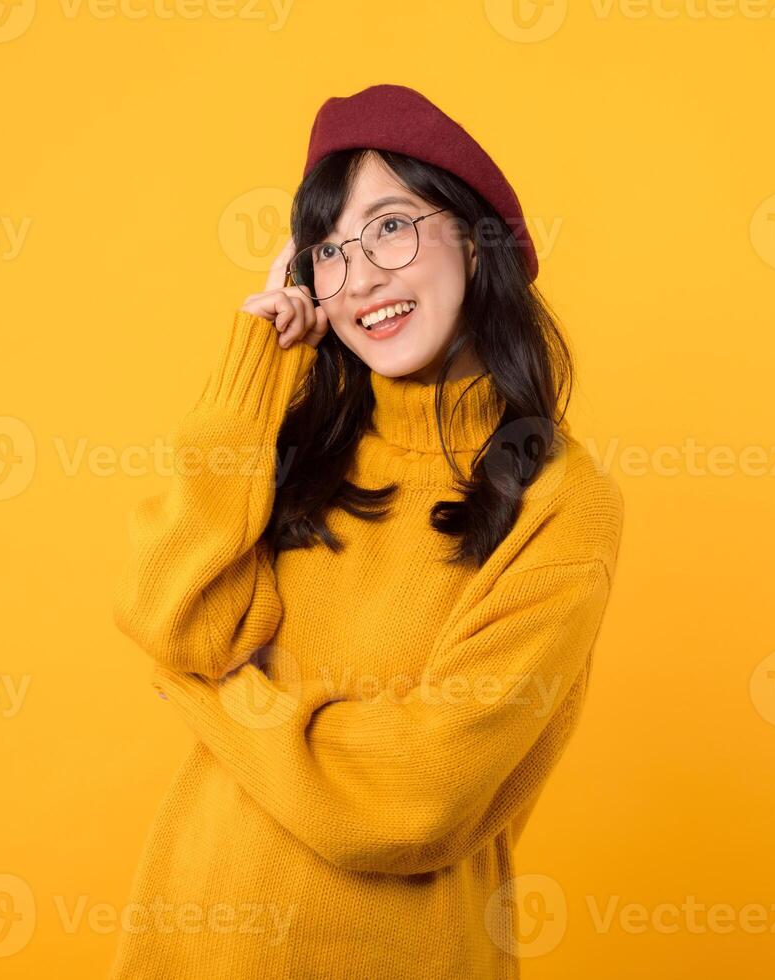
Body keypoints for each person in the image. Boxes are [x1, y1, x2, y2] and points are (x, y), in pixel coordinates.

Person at [110, 83, 624, 979]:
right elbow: (173, 617)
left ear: (475, 234)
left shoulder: (560, 500)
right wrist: (256, 371)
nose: (363, 278)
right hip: (187, 939)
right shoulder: (299, 450)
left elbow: (412, 800)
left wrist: (209, 698)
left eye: (390, 226)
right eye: (330, 251)